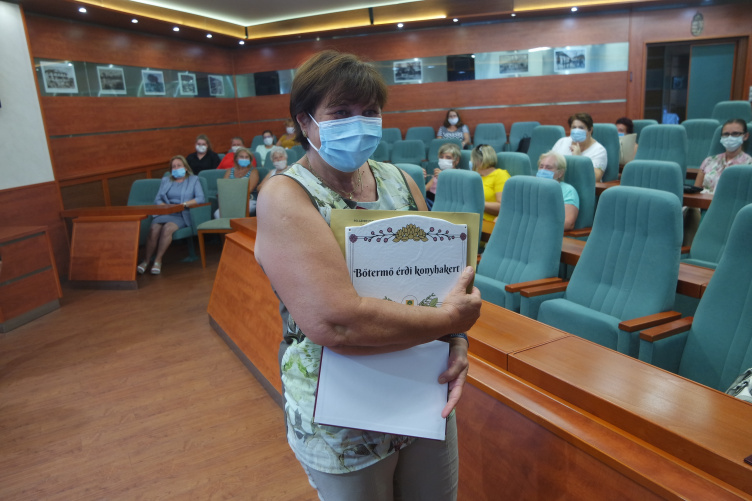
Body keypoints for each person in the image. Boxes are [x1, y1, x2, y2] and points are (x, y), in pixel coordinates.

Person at [255, 50, 481, 500]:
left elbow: (442, 281)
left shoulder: (401, 180)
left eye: (370, 111)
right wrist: (450, 321)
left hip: (422, 388)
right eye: (340, 113)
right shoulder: (285, 195)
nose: (358, 123)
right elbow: (336, 322)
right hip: (342, 416)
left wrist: (456, 340)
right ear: (305, 122)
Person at [137, 156, 205, 275]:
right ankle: (146, 261)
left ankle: (158, 260)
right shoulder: (166, 180)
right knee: (153, 229)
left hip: (182, 214)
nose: (176, 168)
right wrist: (166, 207)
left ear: (185, 167)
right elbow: (157, 199)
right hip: (166, 212)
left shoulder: (194, 180)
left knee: (167, 228)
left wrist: (183, 204)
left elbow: (200, 198)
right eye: (174, 167)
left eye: (179, 166)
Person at [694, 119, 752, 194]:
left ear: (745, 136)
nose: (730, 137)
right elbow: (695, 191)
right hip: (703, 200)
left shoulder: (749, 164)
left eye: (735, 134)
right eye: (726, 134)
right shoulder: (709, 161)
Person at [552, 113, 608, 182]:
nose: (576, 131)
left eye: (581, 128)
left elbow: (595, 178)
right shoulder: (562, 142)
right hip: (558, 182)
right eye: (574, 127)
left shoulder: (599, 150)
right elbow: (548, 163)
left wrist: (578, 159)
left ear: (590, 130)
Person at [537, 151, 579, 231]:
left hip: (548, 232)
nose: (543, 170)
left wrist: (539, 227)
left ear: (560, 173)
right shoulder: (532, 187)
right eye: (541, 166)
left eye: (548, 168)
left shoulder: (568, 191)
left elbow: (568, 223)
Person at [213, 147, 260, 219]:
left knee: (240, 212)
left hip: (248, 200)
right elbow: (223, 187)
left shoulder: (253, 171)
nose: (244, 159)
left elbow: (249, 189)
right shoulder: (229, 171)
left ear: (250, 159)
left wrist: (231, 191)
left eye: (246, 157)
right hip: (230, 200)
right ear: (236, 159)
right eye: (241, 157)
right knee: (217, 214)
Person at [473, 144, 510, 222]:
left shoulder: (500, 175)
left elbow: (502, 207)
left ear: (478, 160)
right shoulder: (474, 176)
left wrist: (477, 203)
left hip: (488, 222)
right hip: (471, 218)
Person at [425, 142, 460, 210]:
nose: (444, 159)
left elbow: (455, 195)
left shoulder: (459, 174)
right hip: (431, 202)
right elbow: (424, 189)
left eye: (448, 157)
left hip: (445, 206)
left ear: (457, 160)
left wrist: (443, 177)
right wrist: (421, 178)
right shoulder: (437, 174)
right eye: (441, 157)